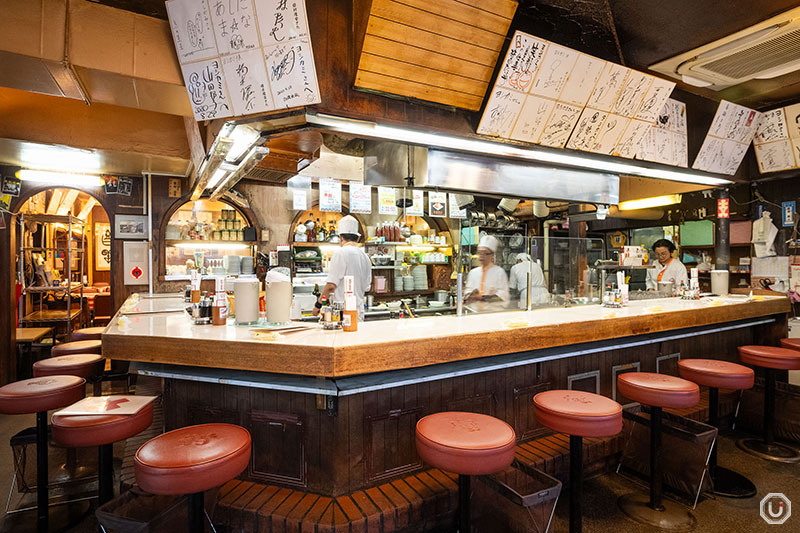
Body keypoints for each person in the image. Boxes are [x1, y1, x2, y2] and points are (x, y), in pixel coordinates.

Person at [313, 215, 372, 321]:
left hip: (342, 314)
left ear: (340, 237)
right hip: (358, 313)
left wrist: (318, 304)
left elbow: (331, 286)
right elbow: (367, 287)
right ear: (357, 238)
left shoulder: (341, 252)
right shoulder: (366, 257)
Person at [464, 235, 510, 312]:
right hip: (475, 313)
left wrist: (483, 298)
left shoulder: (499, 272)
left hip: (492, 314)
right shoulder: (473, 273)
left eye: (485, 253)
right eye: (479, 253)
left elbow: (503, 296)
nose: (481, 256)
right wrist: (471, 295)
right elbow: (468, 291)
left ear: (492, 255)